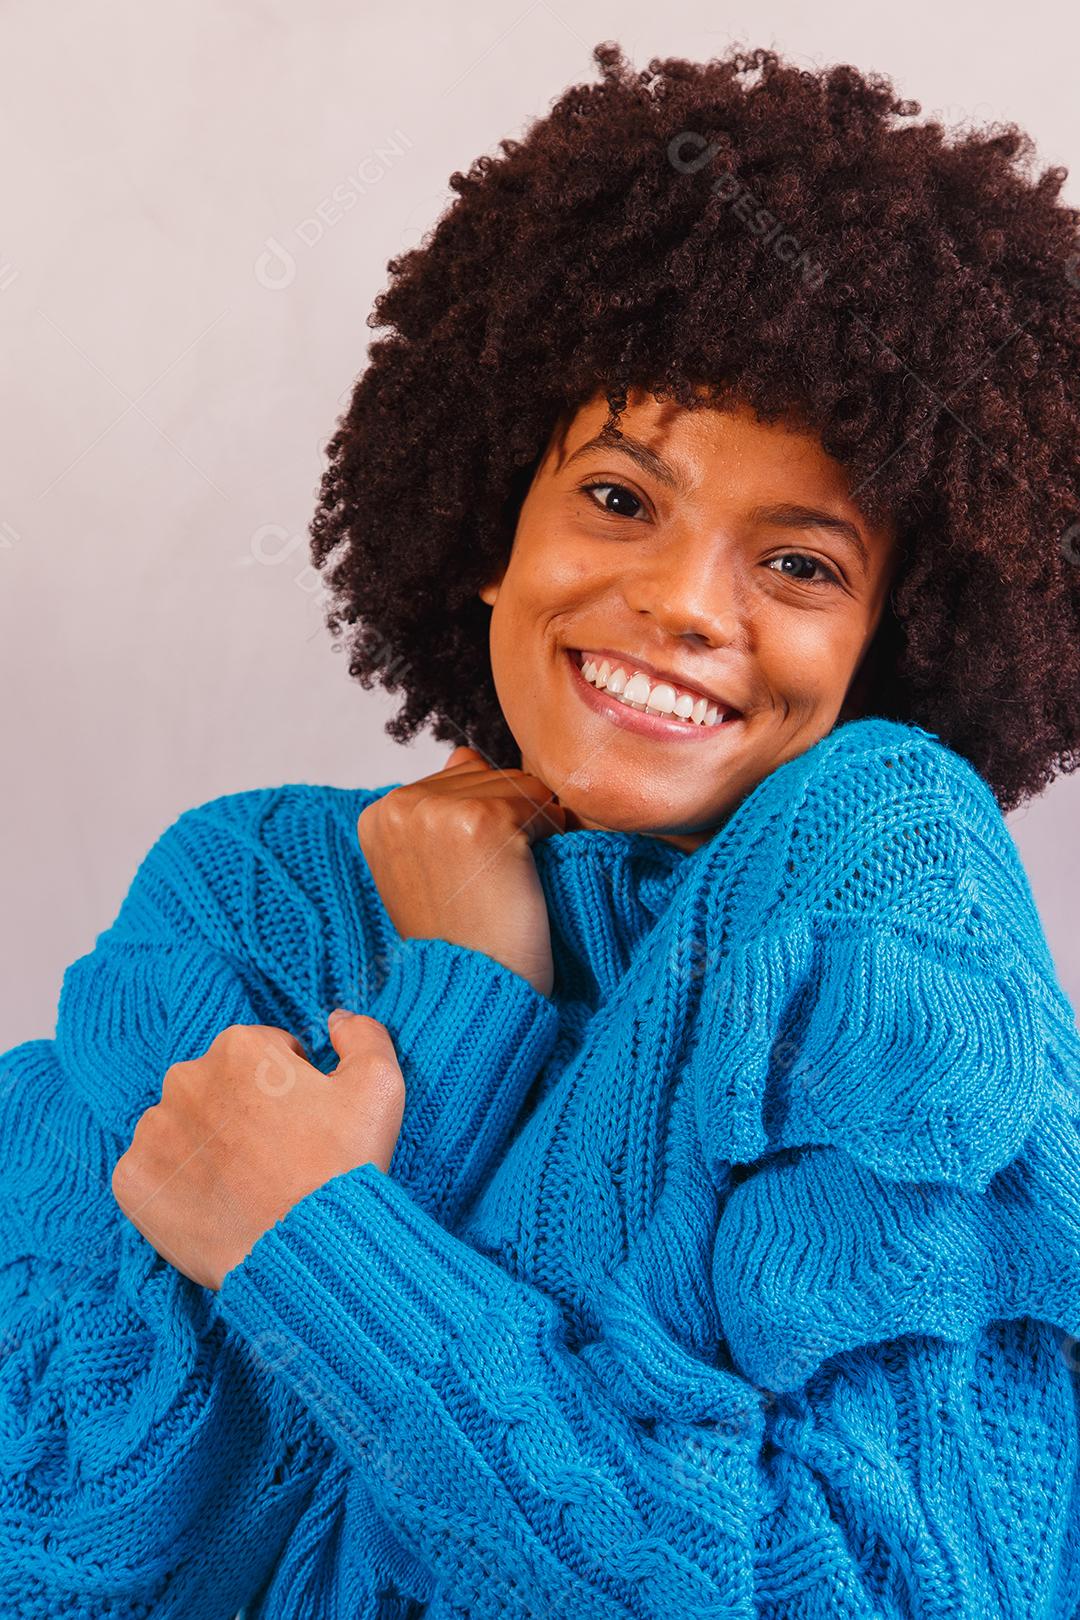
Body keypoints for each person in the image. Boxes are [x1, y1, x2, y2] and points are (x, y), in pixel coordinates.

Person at [3, 40, 1080, 1618]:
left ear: (890, 649)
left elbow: (872, 1592)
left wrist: (315, 1235)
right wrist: (464, 993)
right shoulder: (253, 892)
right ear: (495, 527)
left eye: (798, 565)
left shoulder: (875, 892)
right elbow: (65, 1543)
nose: (678, 606)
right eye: (622, 501)